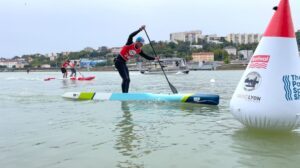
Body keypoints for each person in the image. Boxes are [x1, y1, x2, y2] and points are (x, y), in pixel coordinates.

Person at [115, 25, 158, 93]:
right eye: (141, 44)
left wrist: (155, 58)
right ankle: (124, 95)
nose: (141, 45)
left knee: (128, 80)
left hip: (123, 63)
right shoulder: (130, 43)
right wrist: (140, 29)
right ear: (137, 42)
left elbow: (146, 56)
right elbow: (131, 35)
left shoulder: (139, 50)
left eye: (142, 44)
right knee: (125, 79)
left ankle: (126, 94)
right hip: (118, 62)